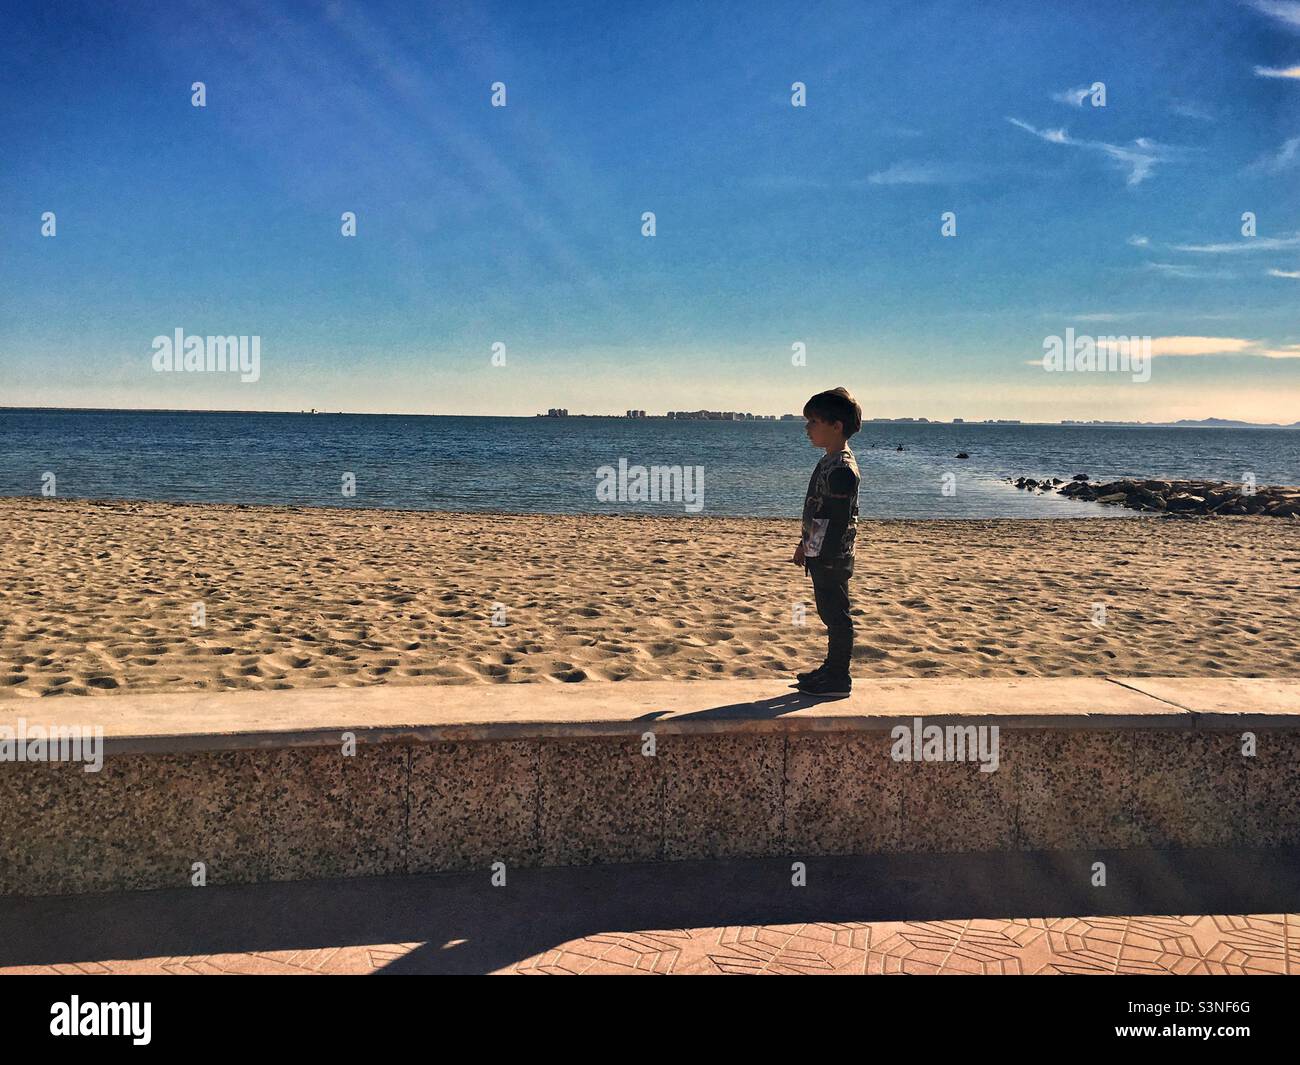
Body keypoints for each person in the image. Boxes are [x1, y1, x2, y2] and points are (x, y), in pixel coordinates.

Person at [791, 387, 861, 695]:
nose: (807, 428)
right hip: (820, 551)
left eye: (814, 421)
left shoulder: (842, 469)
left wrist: (818, 551)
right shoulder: (829, 460)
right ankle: (831, 668)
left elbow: (836, 520)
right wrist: (804, 543)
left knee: (836, 614)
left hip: (832, 555)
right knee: (827, 611)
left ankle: (838, 677)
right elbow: (818, 510)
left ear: (836, 427)